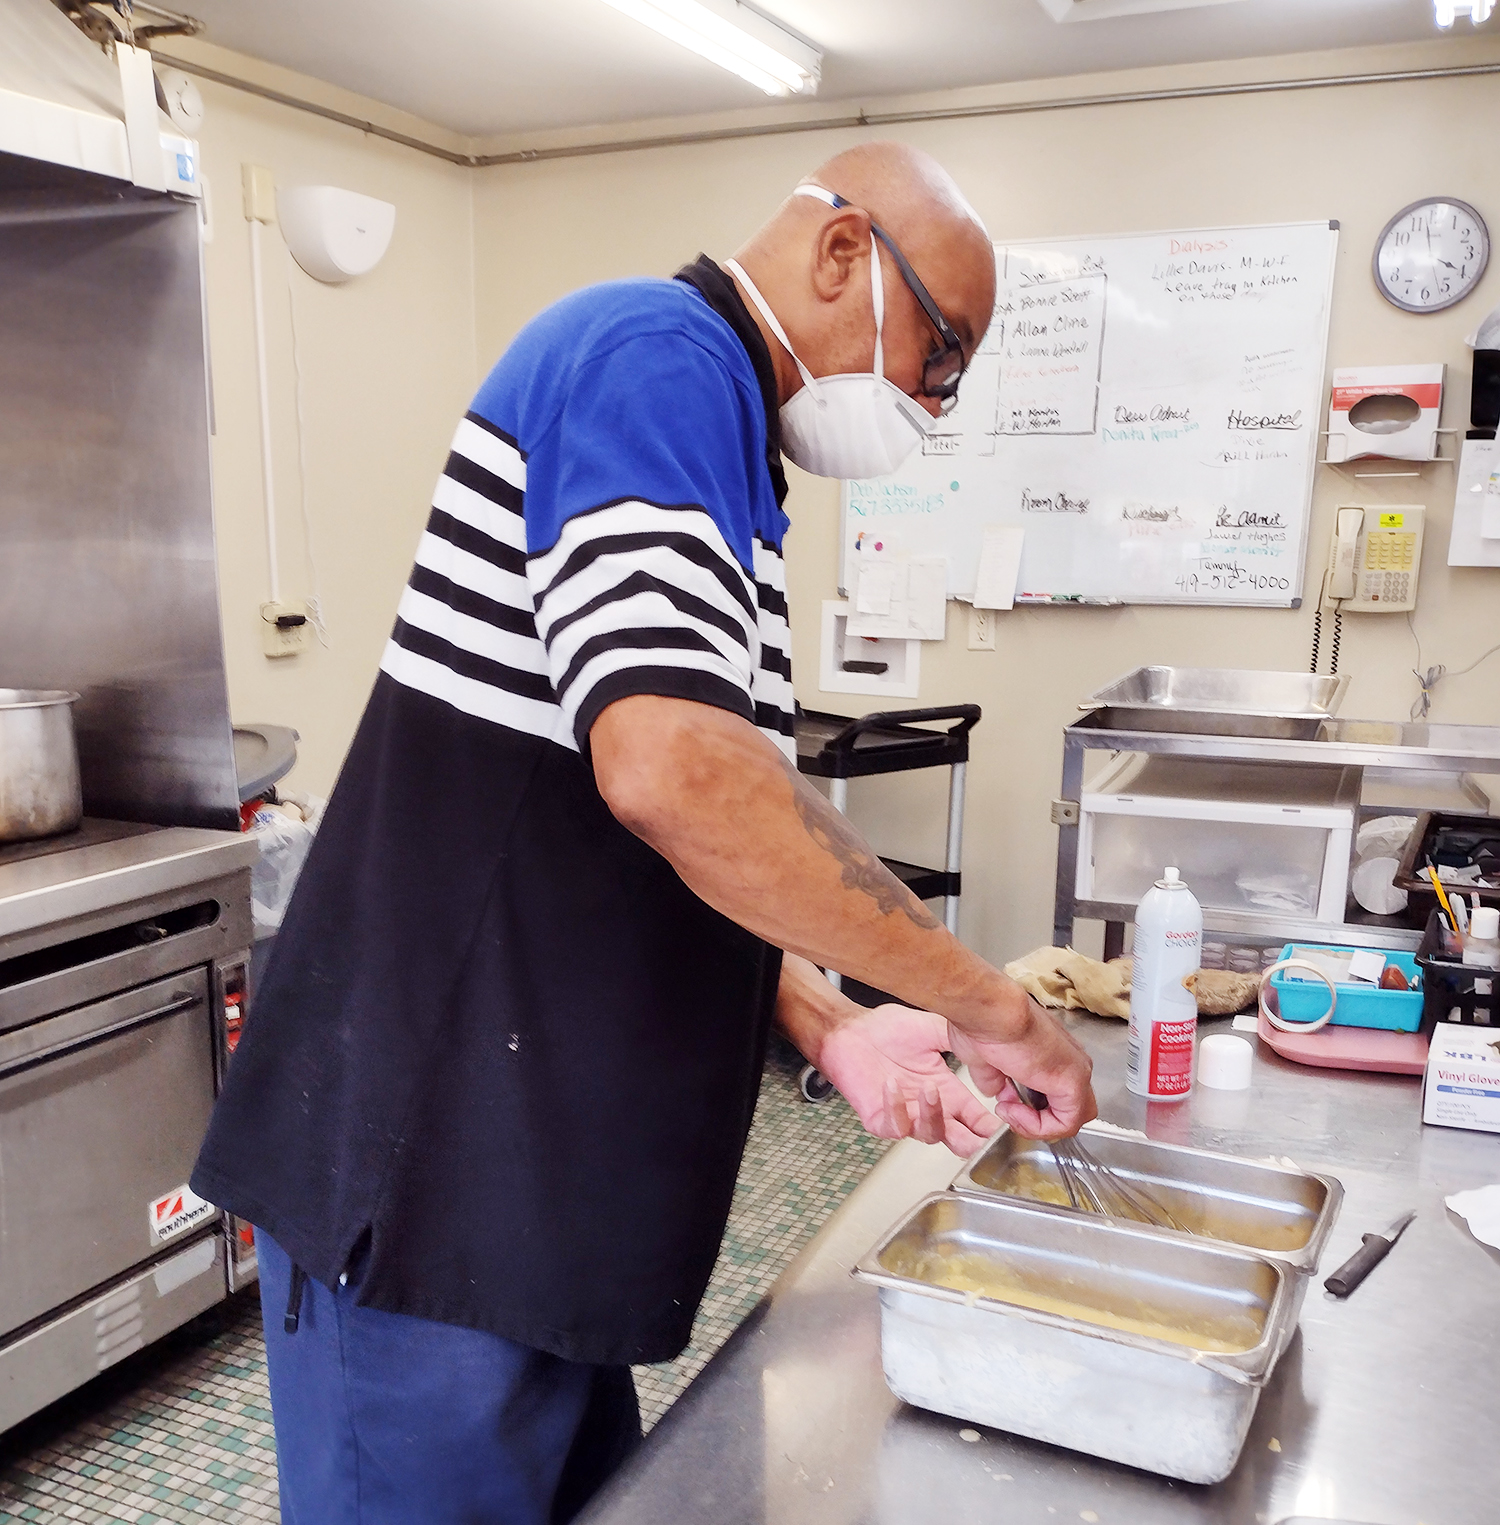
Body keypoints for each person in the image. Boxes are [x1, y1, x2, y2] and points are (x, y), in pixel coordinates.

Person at [192, 140, 1096, 1525]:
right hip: (435, 1185)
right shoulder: (653, 357)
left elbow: (643, 846)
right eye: (940, 351)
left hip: (547, 1195)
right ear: (844, 252)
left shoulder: (728, 449)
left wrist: (828, 1020)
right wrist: (986, 1004)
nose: (932, 399)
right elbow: (673, 774)